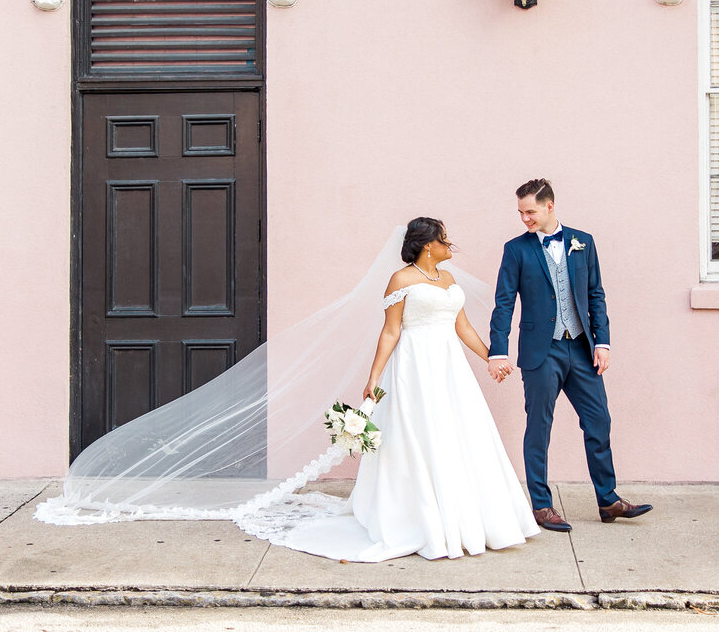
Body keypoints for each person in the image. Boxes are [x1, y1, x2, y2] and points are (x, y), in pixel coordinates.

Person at [275, 217, 540, 561]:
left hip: (450, 367)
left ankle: (465, 516)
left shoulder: (448, 278)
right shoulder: (400, 280)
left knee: (459, 431)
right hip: (414, 366)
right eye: (444, 240)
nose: (449, 246)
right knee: (420, 433)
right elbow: (391, 331)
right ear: (429, 244)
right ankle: (422, 518)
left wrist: (492, 357)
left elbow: (462, 326)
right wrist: (374, 377)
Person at [488, 179, 652, 532]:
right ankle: (542, 505)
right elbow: (504, 303)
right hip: (540, 351)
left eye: (530, 211)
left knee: (599, 420)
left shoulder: (583, 242)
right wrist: (497, 350)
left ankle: (608, 499)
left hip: (579, 348)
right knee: (539, 428)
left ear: (549, 206)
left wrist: (602, 342)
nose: (524, 219)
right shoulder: (516, 249)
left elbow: (596, 294)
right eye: (520, 212)